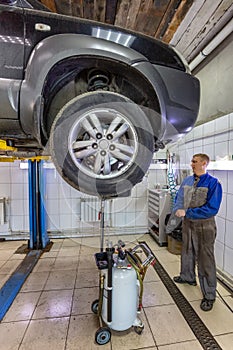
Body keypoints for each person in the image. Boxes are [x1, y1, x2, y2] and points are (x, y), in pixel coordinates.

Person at [173, 153, 222, 311]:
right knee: (187, 251)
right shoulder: (187, 181)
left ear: (204, 163)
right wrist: (177, 211)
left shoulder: (213, 183)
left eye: (195, 162)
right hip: (188, 224)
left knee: (205, 259)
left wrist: (187, 213)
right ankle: (187, 277)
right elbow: (179, 198)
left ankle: (209, 294)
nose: (191, 164)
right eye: (191, 161)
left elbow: (212, 208)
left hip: (204, 226)